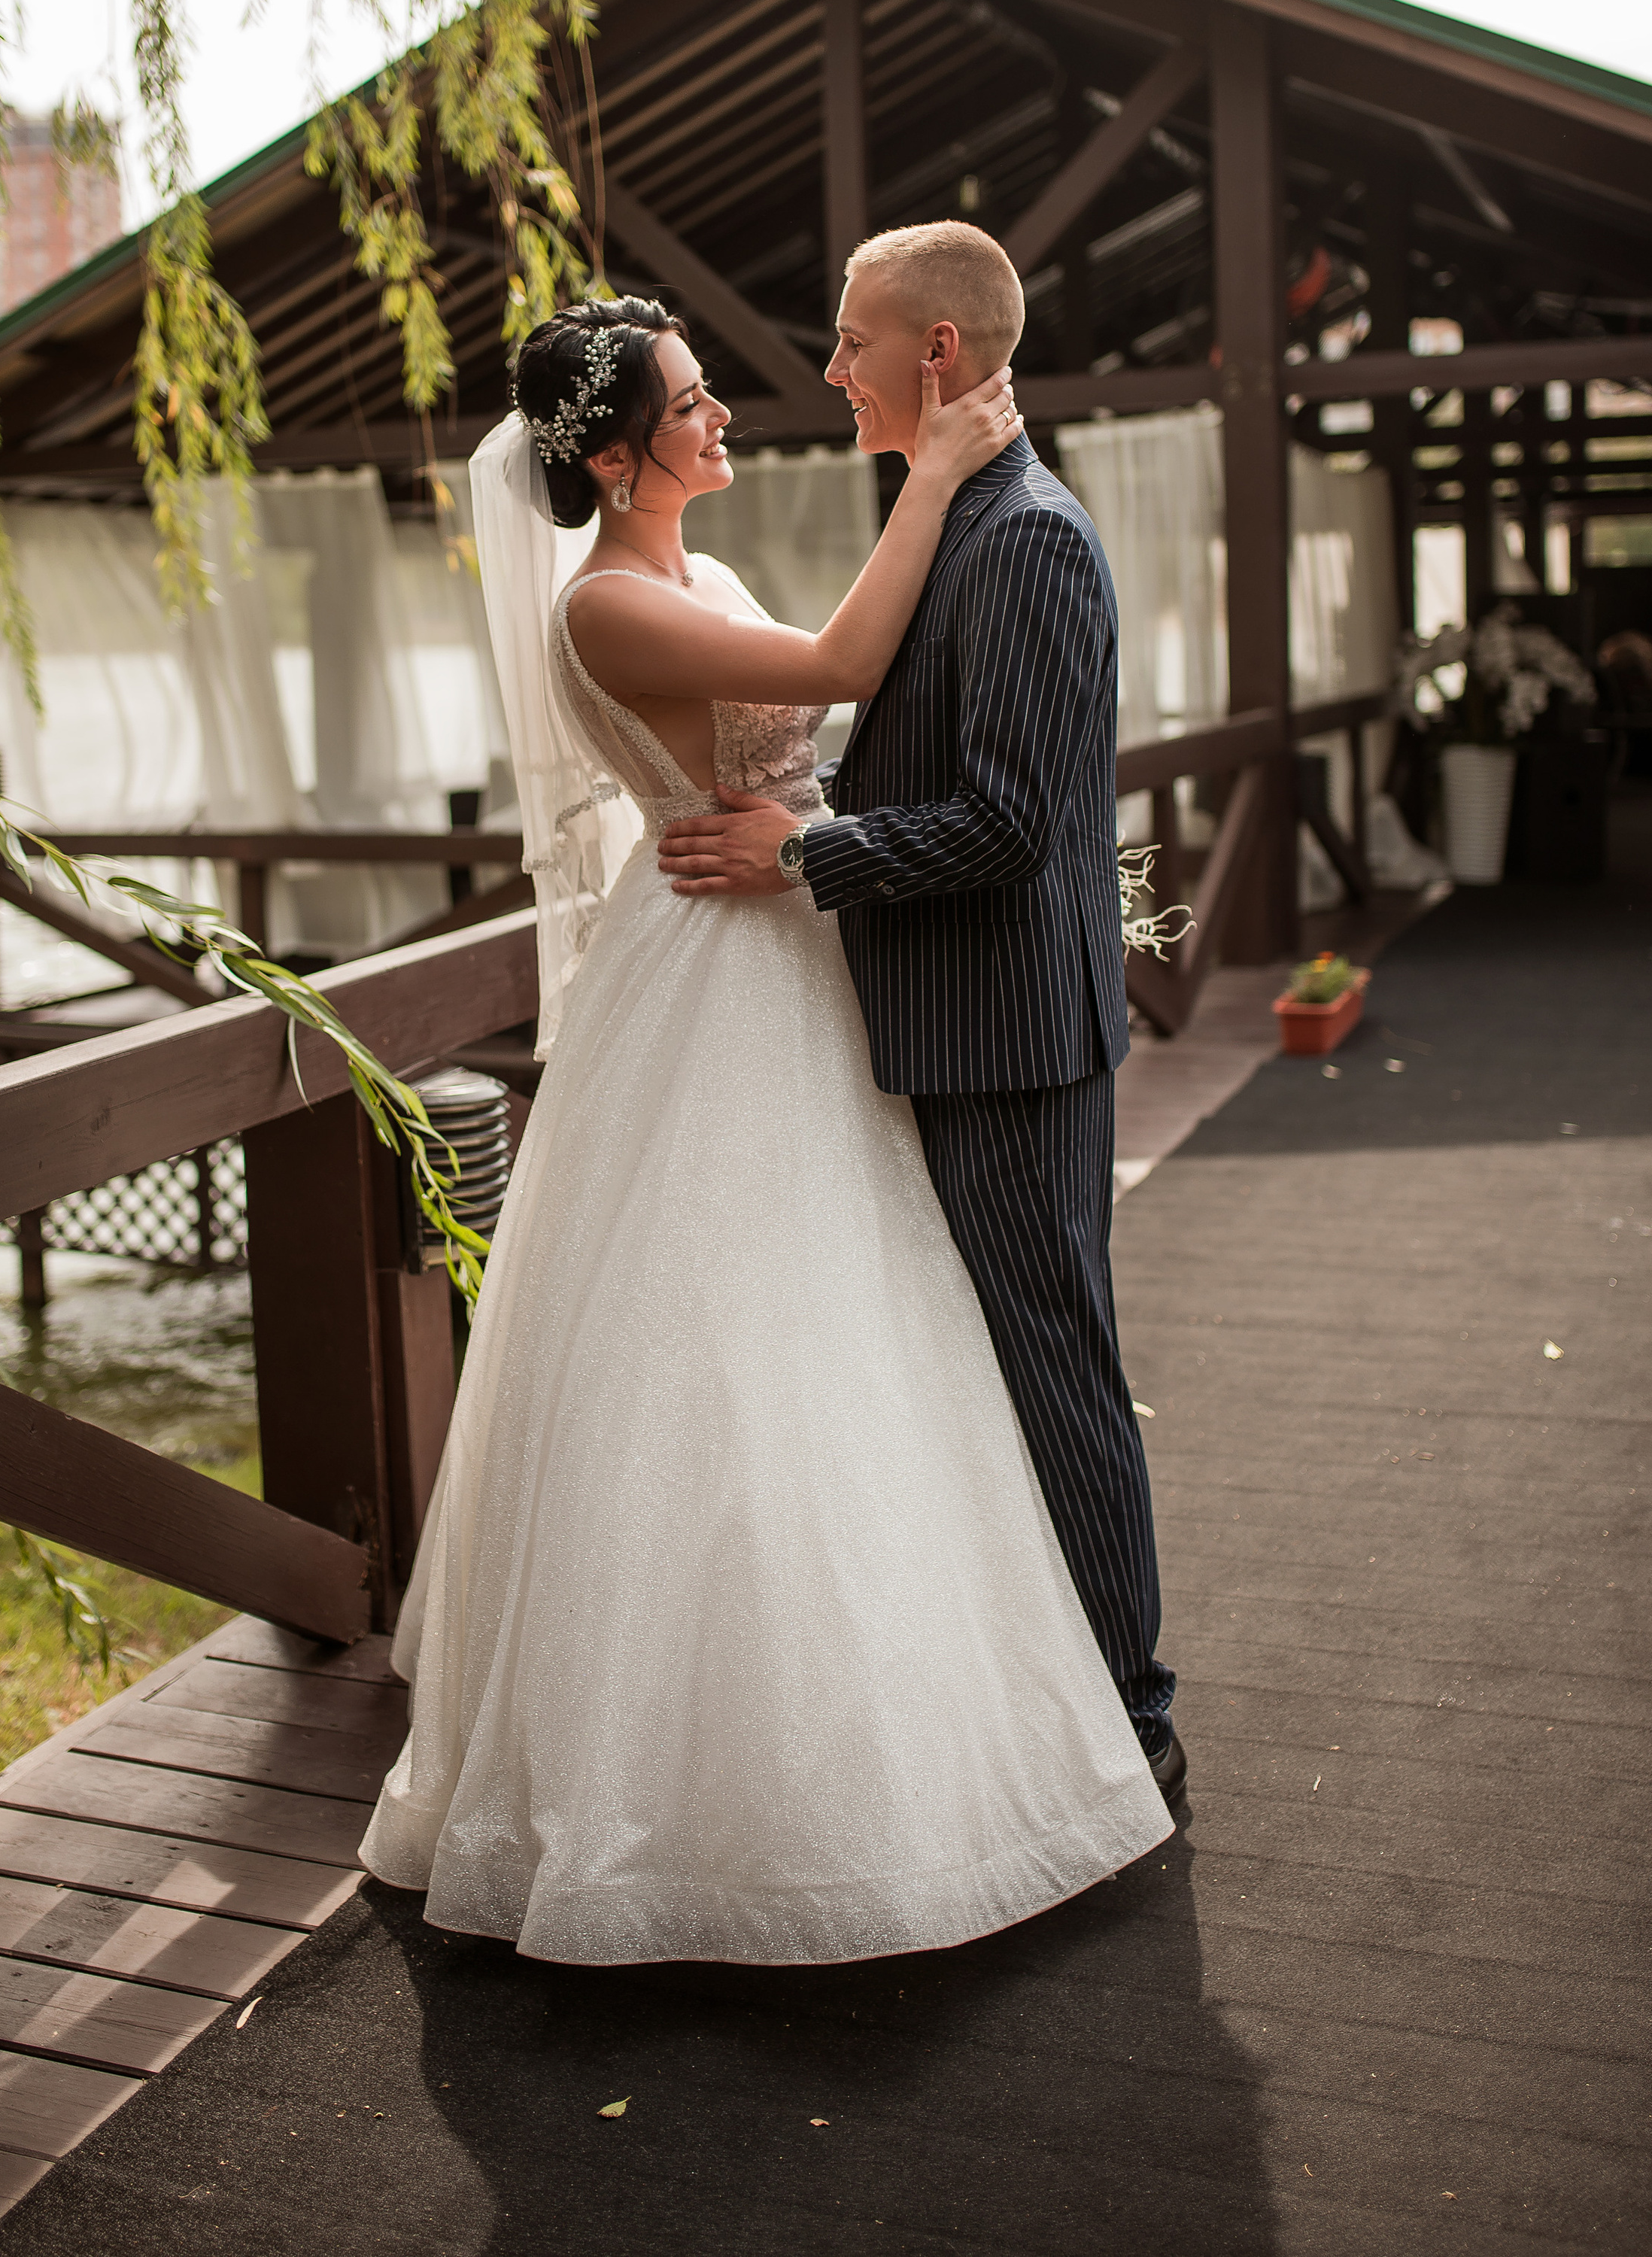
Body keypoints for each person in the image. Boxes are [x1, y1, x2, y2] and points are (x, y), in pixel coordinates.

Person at [360, 292, 1174, 1962]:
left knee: (865, 1333)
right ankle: (702, 1790)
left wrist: (822, 841)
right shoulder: (610, 613)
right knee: (719, 1342)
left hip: (795, 942)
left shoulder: (700, 575)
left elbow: (827, 748)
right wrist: (939, 469)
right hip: (715, 972)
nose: (724, 414)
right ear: (609, 455)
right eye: (689, 400)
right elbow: (836, 671)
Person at [657, 224, 1183, 1803]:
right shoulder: (956, 513)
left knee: (1050, 1371)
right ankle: (1065, 1705)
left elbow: (1020, 825)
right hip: (963, 1029)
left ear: (933, 354)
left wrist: (803, 853)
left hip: (1009, 1045)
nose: (828, 371)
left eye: (849, 342)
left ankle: (1131, 1726)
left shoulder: (1020, 539)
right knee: (1003, 1372)